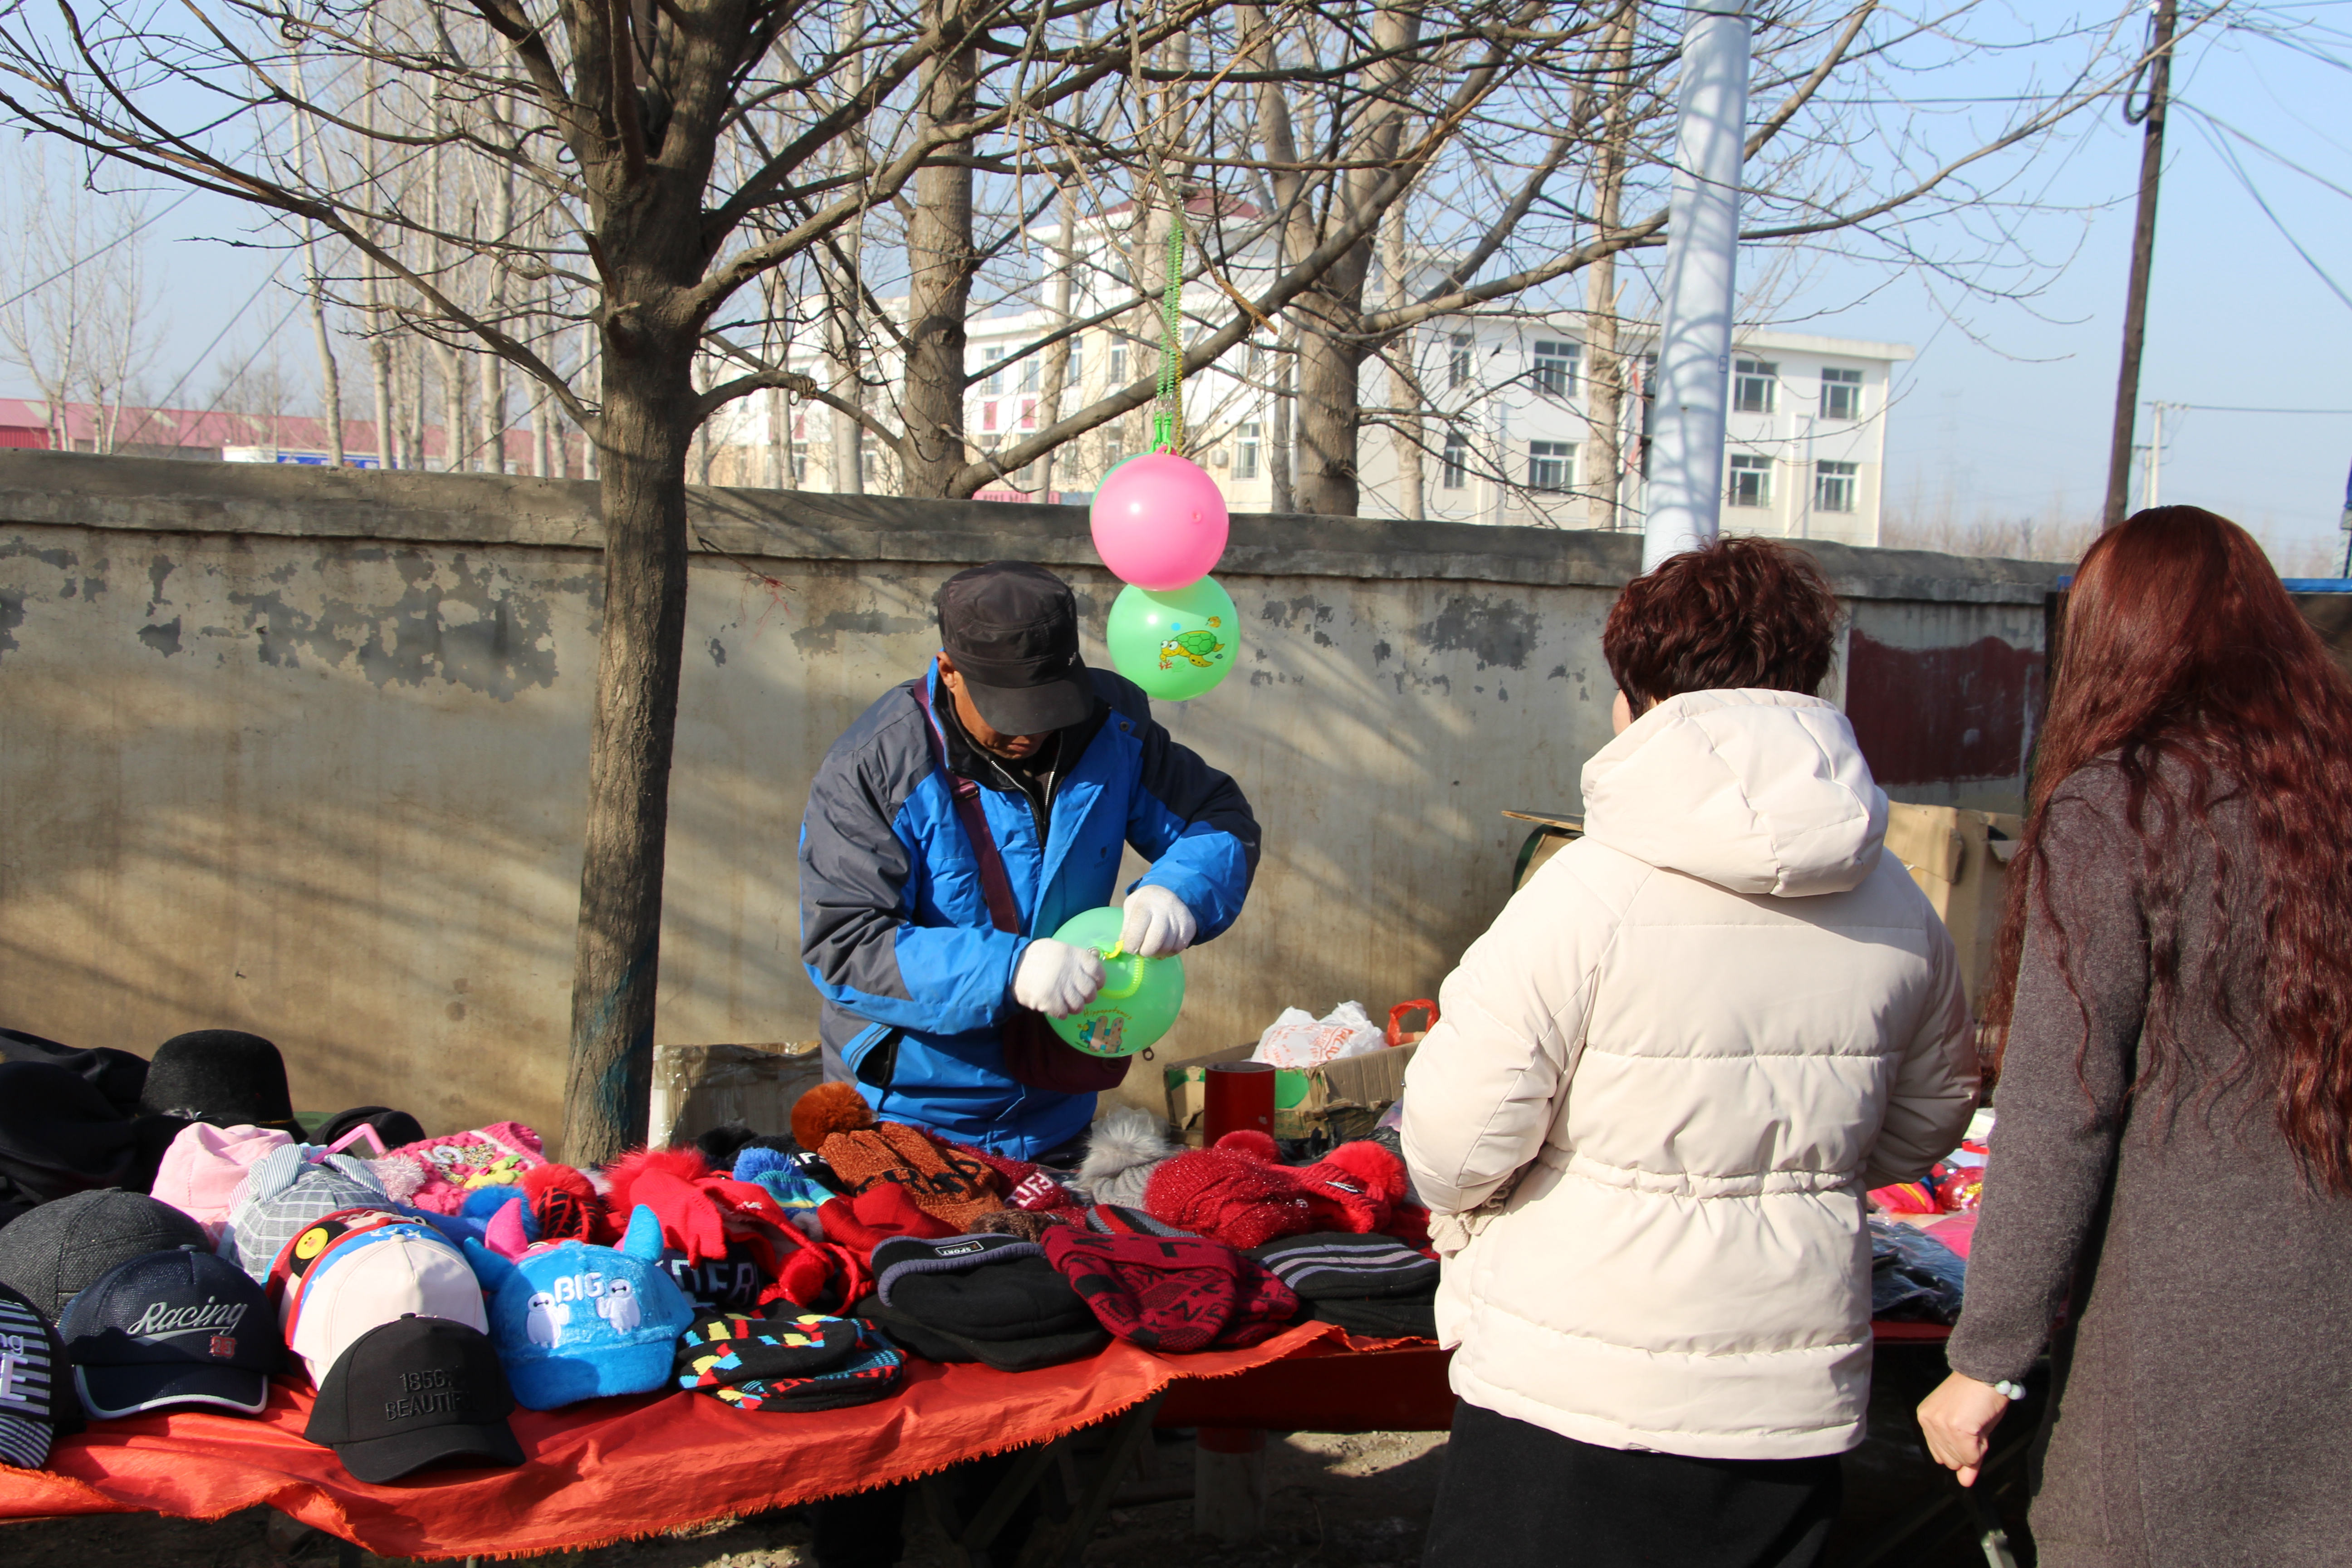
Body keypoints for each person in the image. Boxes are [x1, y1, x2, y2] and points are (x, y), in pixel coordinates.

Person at [1404, 536, 1976, 1568]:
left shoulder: (1586, 894)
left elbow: (1456, 1144)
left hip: (1576, 1390)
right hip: (1789, 1395)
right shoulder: (1899, 900)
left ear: (1639, 697)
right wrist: (1801, 1169)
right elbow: (1931, 1117)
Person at [1918, 507, 2352, 1564]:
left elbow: (2060, 1109)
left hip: (2179, 1338)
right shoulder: (2330, 797)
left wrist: (1986, 1358)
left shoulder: (2120, 809)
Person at [799, 559, 1258, 1162]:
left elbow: (1218, 817)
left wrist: (1182, 889)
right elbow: (845, 945)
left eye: (1049, 706)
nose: (1031, 734)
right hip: (909, 1117)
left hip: (1060, 1105)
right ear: (949, 672)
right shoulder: (875, 767)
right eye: (1008, 712)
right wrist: (1007, 970)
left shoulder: (1111, 730)